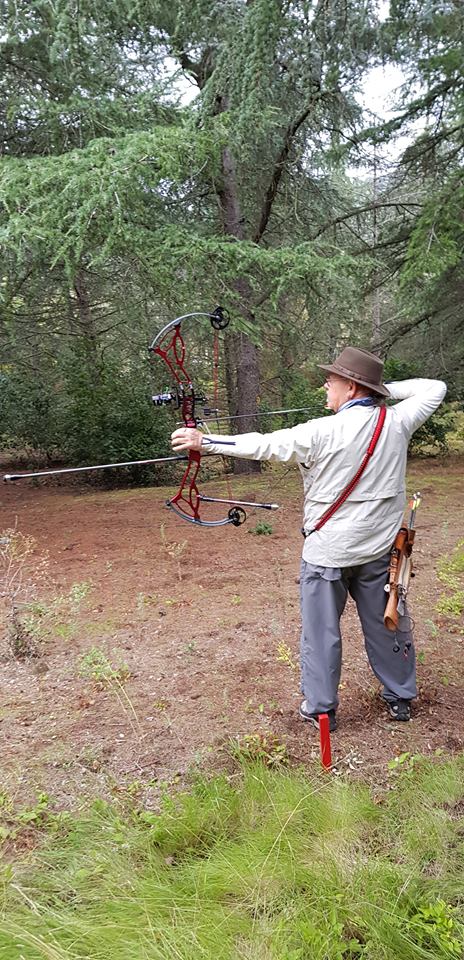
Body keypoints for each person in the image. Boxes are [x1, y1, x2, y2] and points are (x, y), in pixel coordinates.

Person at [171, 347, 447, 731]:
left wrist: (205, 442)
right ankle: (400, 697)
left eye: (332, 380)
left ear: (351, 387)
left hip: (328, 552)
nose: (325, 386)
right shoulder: (398, 420)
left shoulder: (321, 431)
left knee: (321, 633)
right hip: (378, 549)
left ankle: (320, 709)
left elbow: (264, 445)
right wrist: (379, 392)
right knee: (388, 621)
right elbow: (435, 387)